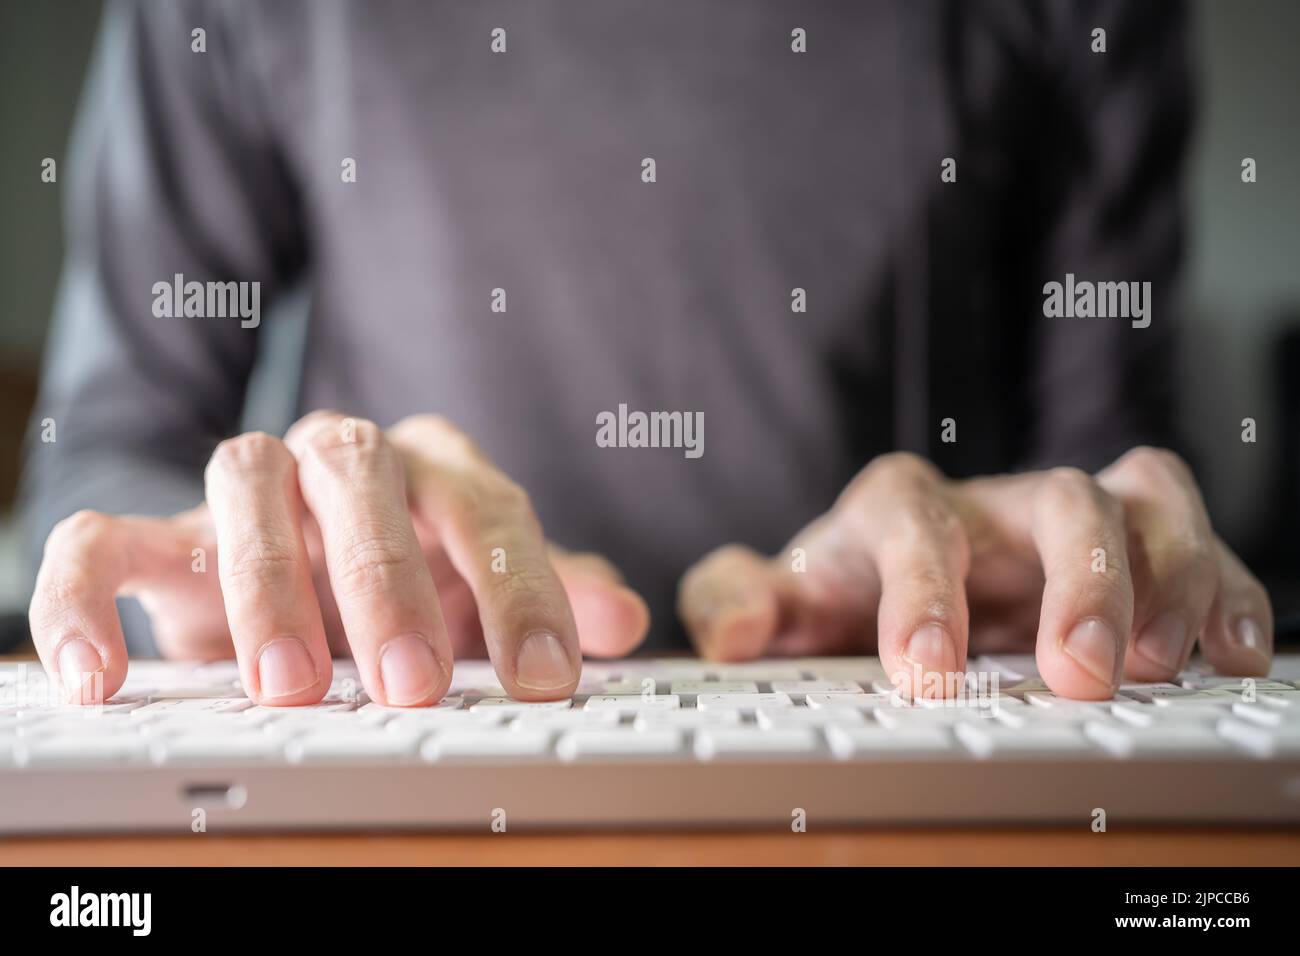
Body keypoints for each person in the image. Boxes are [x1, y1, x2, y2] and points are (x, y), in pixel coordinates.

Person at [22, 0, 1272, 708]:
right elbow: (105, 458)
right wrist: (248, 563)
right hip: (414, 714)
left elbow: (1108, 482)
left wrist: (1064, 559)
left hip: (910, 709)